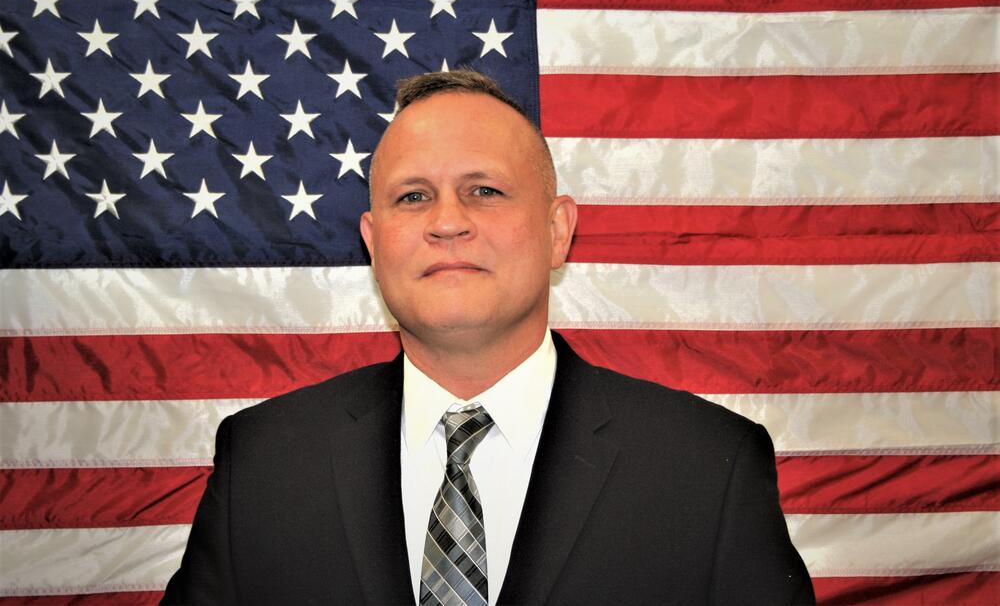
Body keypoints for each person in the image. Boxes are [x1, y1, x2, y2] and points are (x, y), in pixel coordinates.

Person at [162, 70, 814, 605]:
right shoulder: (264, 463)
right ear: (372, 241)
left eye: (485, 190)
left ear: (559, 231)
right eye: (413, 197)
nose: (448, 222)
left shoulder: (706, 468)